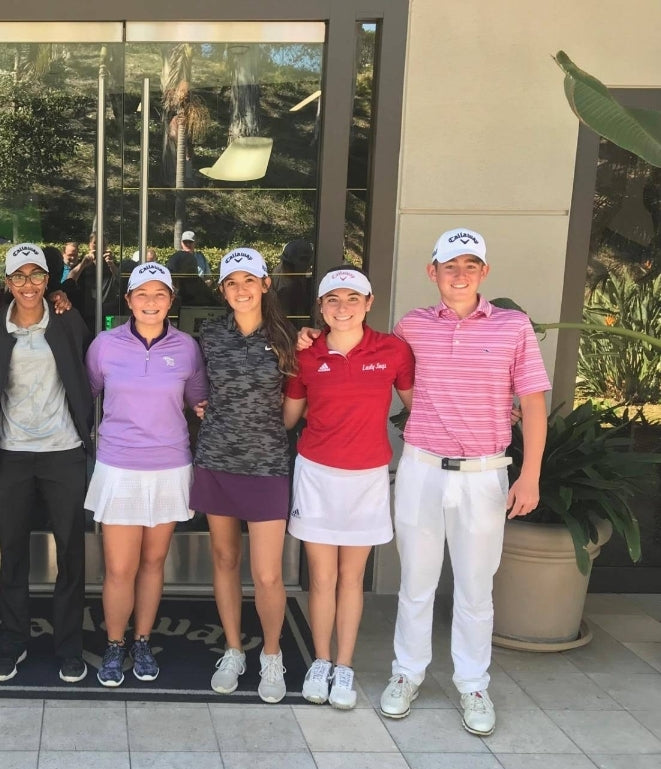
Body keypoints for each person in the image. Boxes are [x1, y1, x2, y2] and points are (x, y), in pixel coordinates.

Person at [300, 229, 549, 736]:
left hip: (484, 472)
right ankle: (406, 674)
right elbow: (356, 347)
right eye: (449, 266)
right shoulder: (410, 328)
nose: (460, 275)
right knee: (416, 581)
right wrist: (310, 338)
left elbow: (534, 402)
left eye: (470, 265)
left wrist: (531, 473)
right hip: (421, 467)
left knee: (477, 587)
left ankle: (473, 684)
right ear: (432, 273)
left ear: (485, 272)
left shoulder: (513, 326)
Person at [283, 267, 414, 709]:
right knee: (321, 578)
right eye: (333, 300)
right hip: (317, 474)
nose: (343, 307)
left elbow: (423, 406)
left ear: (369, 302)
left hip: (367, 477)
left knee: (352, 579)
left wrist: (491, 414)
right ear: (320, 307)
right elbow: (289, 416)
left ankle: (344, 665)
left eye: (352, 298)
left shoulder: (393, 350)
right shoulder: (305, 354)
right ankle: (320, 661)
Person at [0, 243, 94, 684]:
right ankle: (12, 642)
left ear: (49, 281)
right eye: (18, 277)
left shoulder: (65, 319)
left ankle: (69, 646)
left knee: (71, 552)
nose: (28, 284)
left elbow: (85, 366)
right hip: (11, 453)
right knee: (13, 556)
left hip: (63, 451)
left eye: (37, 275)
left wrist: (65, 300)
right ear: (7, 283)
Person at [85, 262, 208, 686]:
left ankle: (142, 639)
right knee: (120, 567)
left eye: (160, 294)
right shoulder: (104, 345)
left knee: (154, 562)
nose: (151, 302)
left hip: (170, 465)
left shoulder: (188, 347)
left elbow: (197, 400)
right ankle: (115, 644)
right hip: (119, 466)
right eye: (142, 294)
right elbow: (88, 392)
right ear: (129, 300)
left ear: (171, 300)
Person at [192, 248, 297, 703]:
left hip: (267, 465)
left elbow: (293, 409)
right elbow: (197, 388)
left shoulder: (290, 337)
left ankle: (271, 655)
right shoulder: (209, 334)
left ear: (265, 284)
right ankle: (234, 649)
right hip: (216, 459)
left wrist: (262, 430)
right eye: (231, 282)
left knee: (268, 574)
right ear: (222, 289)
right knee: (224, 560)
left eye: (248, 281)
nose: (240, 289)